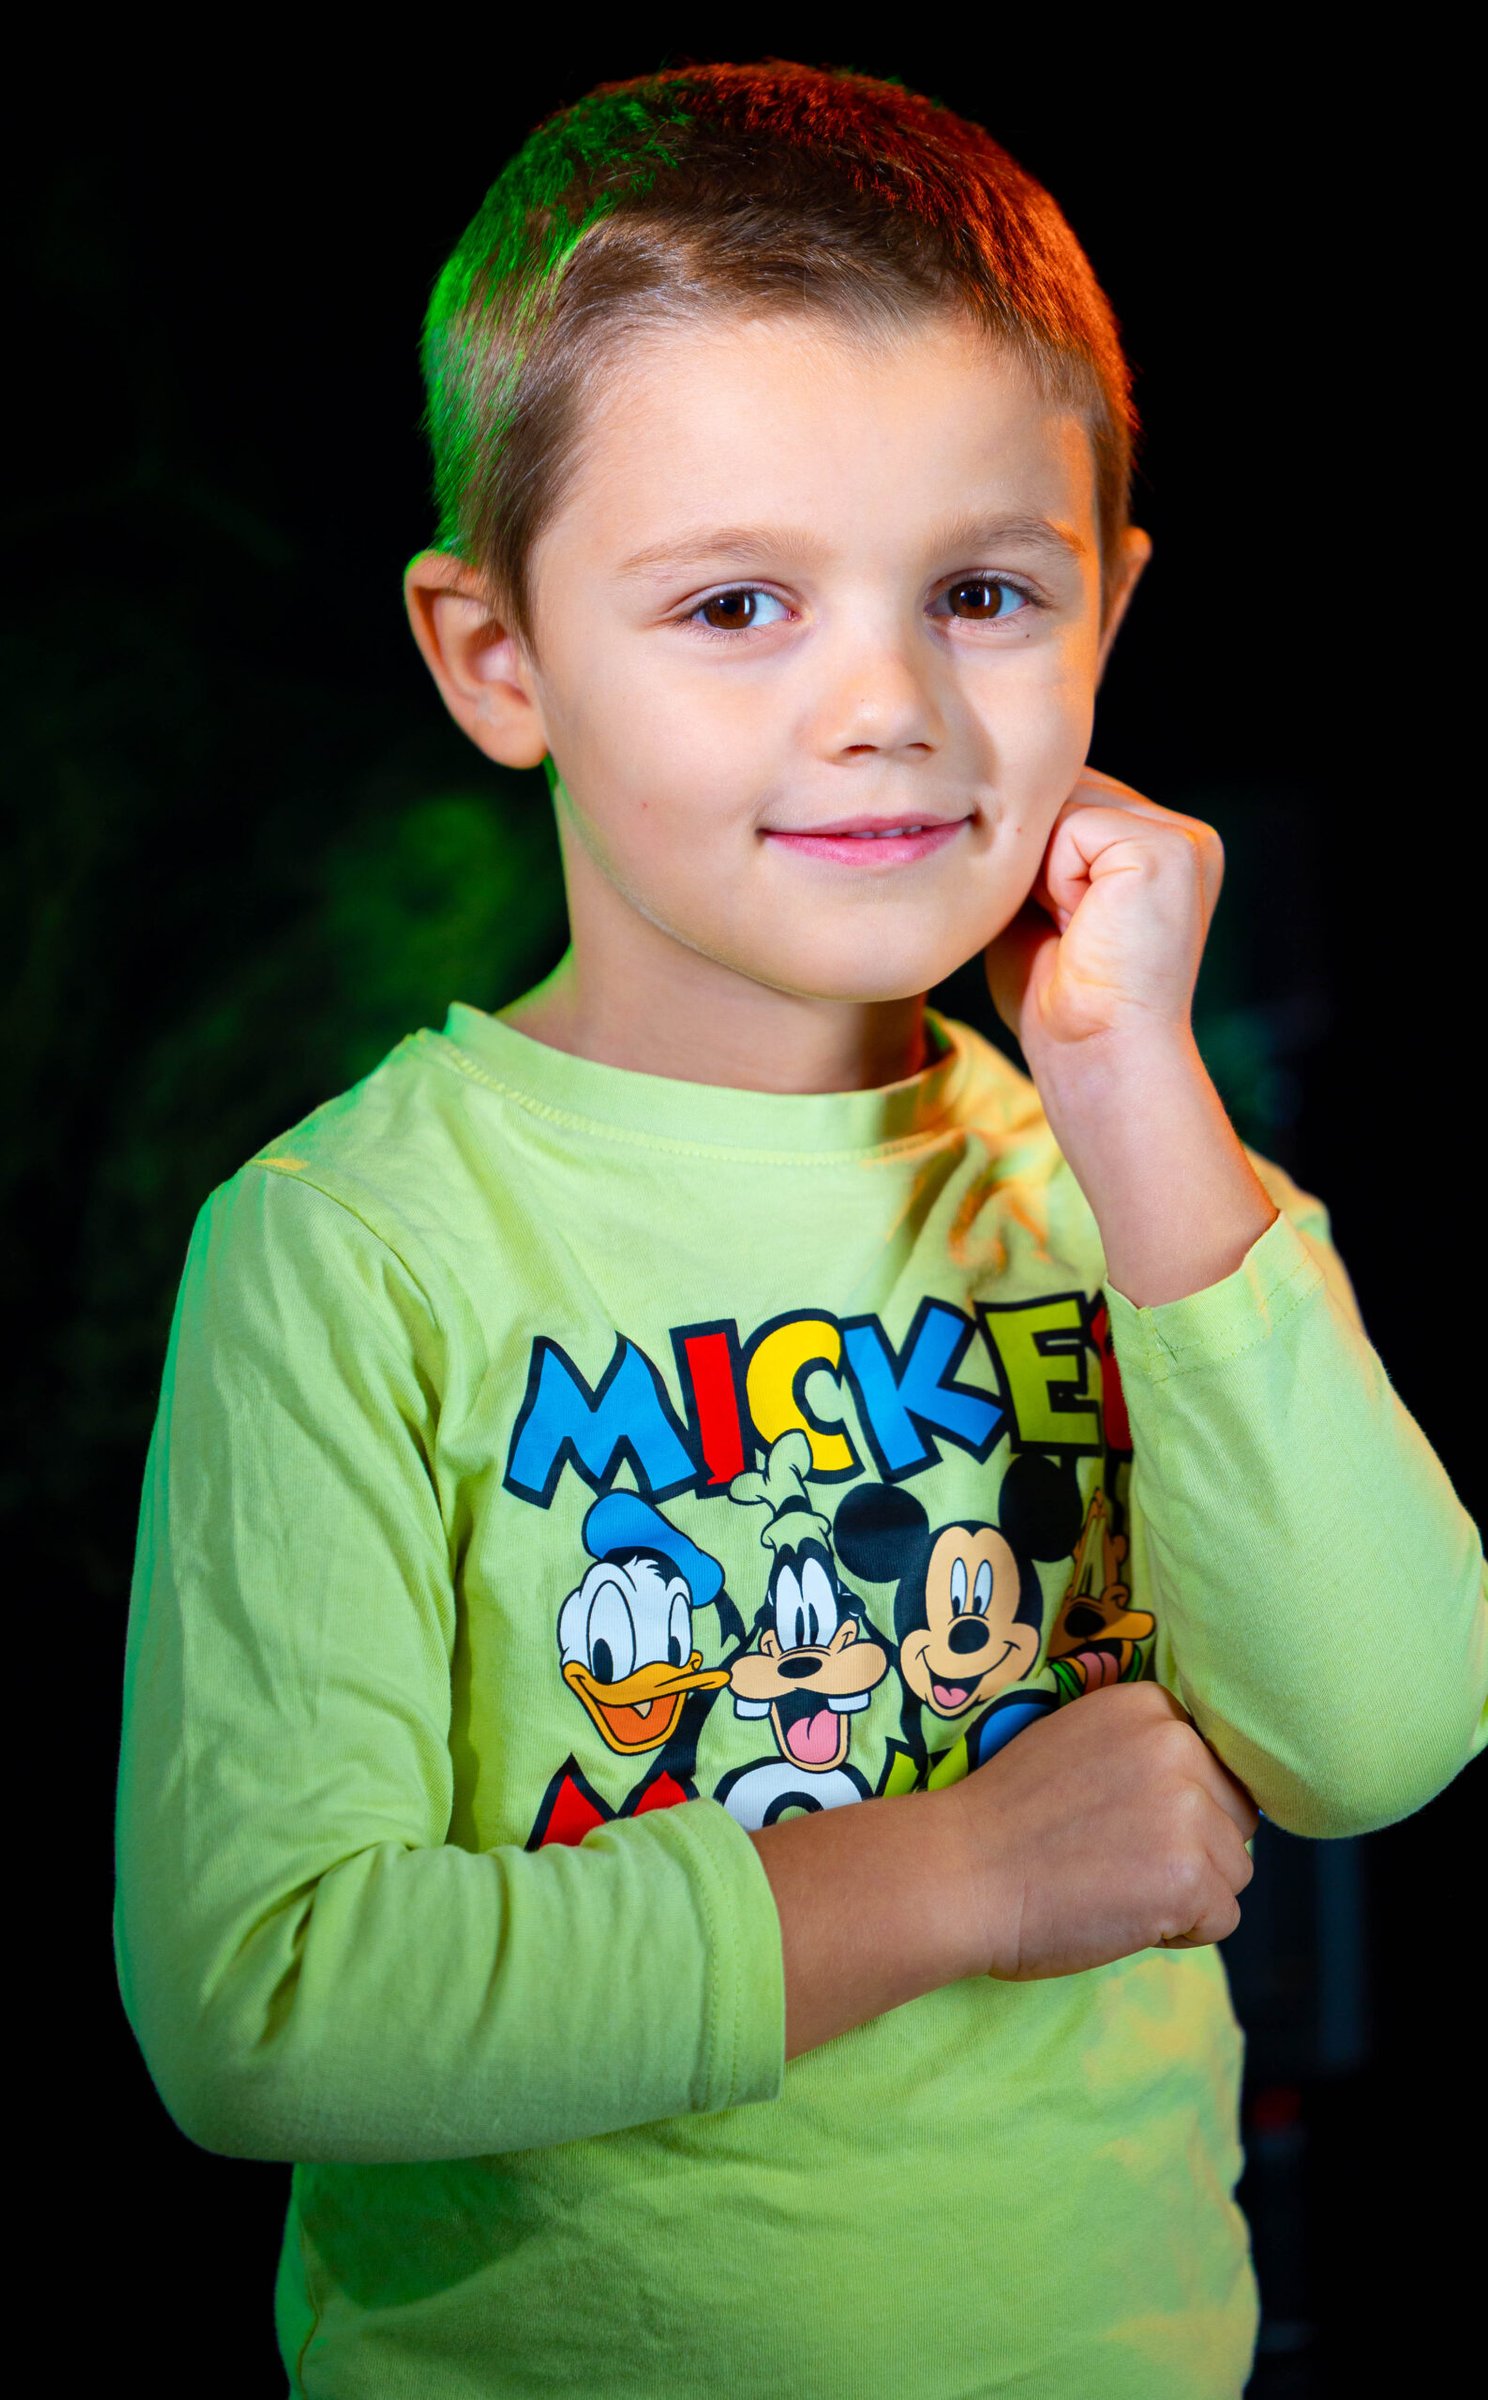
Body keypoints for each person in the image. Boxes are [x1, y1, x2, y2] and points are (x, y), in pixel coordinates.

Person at [114, 60, 1486, 2399]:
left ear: (1106, 608)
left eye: (981, 592)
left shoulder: (1131, 1181)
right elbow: (269, 2003)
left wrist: (1132, 1095)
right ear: (497, 660)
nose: (885, 706)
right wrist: (957, 1876)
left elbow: (1376, 1731)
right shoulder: (351, 1246)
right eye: (736, 602)